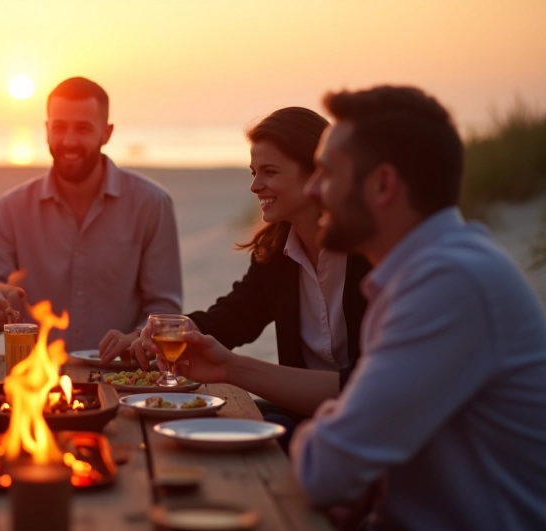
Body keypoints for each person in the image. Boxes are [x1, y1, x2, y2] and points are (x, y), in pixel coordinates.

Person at [140, 86, 546, 531]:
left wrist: (343, 454)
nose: (313, 190)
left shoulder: (448, 284)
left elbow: (322, 469)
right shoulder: (416, 275)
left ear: (382, 186)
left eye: (328, 173)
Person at [110, 107, 370, 418]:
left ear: (317, 174)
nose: (255, 186)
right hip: (304, 414)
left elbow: (369, 390)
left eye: (269, 172)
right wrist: (165, 333)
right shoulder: (276, 255)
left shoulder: (370, 257)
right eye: (253, 172)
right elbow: (233, 317)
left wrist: (229, 367)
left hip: (369, 424)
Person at [0, 77, 182, 352]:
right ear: (46, 130)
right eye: (59, 127)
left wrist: (138, 339)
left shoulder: (152, 204)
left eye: (82, 128)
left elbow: (165, 307)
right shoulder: (12, 207)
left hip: (121, 378)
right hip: (34, 381)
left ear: (107, 133)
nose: (68, 141)